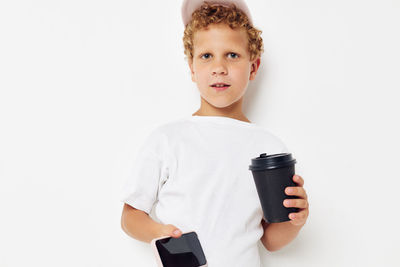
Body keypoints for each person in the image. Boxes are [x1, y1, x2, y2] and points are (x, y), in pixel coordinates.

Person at [120, 0, 309, 265]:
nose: (219, 67)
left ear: (253, 67)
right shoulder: (167, 139)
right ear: (192, 68)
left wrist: (295, 221)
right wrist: (160, 232)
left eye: (232, 55)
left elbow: (270, 240)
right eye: (206, 56)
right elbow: (130, 216)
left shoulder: (269, 148)